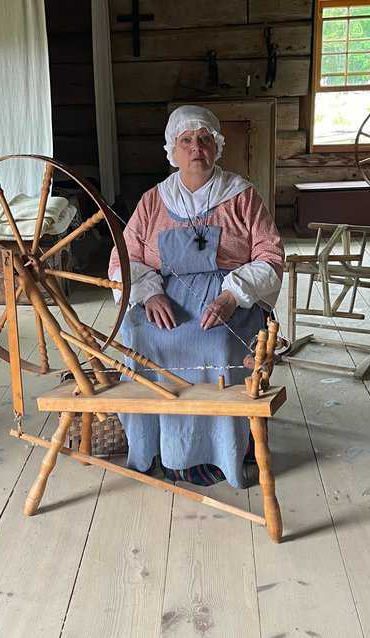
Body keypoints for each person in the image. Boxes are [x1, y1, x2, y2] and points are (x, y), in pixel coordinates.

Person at [108, 105, 284, 488]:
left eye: (204, 139)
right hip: (164, 298)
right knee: (139, 335)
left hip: (227, 298)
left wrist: (232, 296)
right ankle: (154, 450)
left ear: (217, 147)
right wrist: (150, 293)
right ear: (172, 150)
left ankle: (222, 454)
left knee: (220, 341)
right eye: (186, 141)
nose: (195, 148)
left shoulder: (241, 196)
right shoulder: (154, 201)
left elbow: (270, 256)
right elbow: (123, 259)